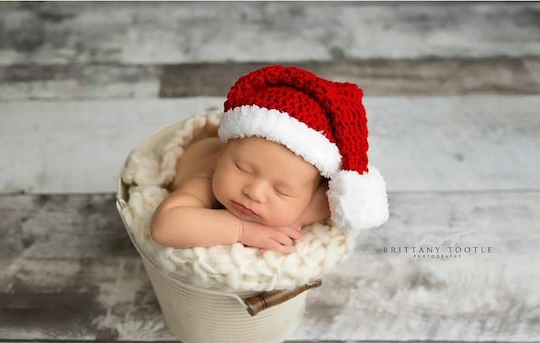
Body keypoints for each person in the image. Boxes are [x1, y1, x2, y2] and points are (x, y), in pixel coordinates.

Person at [151, 65, 389, 253]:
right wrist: (244, 229)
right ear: (223, 153)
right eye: (242, 168)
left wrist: (292, 216)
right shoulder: (208, 178)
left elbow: (330, 201)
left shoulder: (318, 192)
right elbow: (165, 226)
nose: (255, 192)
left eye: (282, 191)